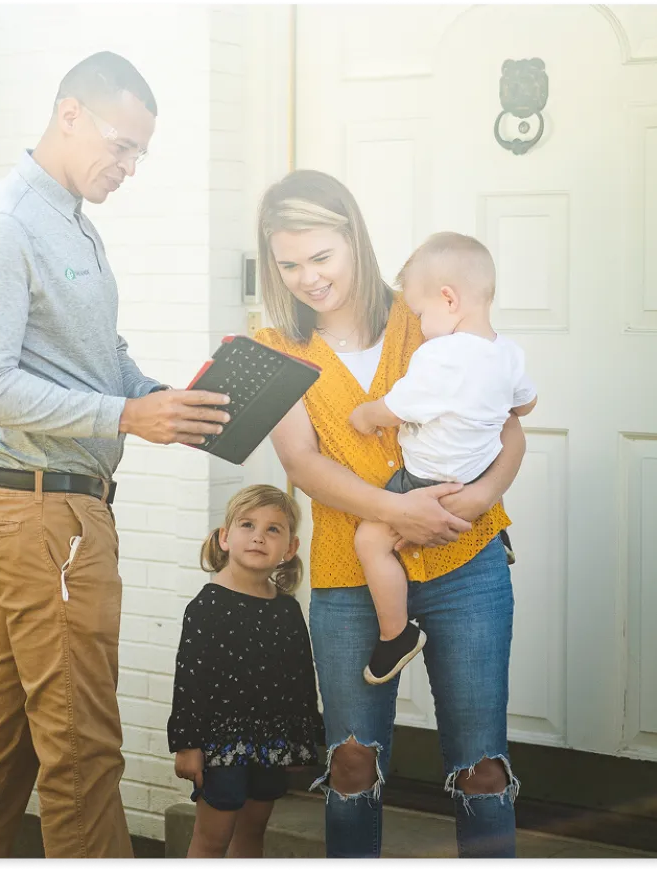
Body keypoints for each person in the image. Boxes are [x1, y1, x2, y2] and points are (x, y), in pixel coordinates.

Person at [0, 53, 231, 860]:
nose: (129, 166)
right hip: (40, 511)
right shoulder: (1, 229)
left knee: (13, 735)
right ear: (69, 114)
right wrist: (126, 413)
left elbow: (98, 357)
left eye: (140, 152)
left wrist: (168, 399)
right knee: (83, 747)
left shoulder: (74, 226)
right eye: (121, 144)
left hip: (57, 508)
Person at [253, 170, 525, 860]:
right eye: (288, 264)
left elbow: (511, 424)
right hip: (352, 573)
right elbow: (304, 464)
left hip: (466, 560)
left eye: (321, 257)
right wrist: (400, 509)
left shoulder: (426, 311)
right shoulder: (275, 346)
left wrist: (478, 497)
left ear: (355, 242)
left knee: (481, 766)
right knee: (349, 763)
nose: (307, 278)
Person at [349, 232, 537, 686]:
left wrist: (364, 415)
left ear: (448, 299)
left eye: (419, 312)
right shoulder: (508, 351)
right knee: (485, 446)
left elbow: (395, 409)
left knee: (371, 542)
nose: (418, 323)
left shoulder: (440, 356)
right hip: (479, 471)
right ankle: (492, 526)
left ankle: (395, 634)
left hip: (425, 481)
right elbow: (525, 407)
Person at [167, 485, 325, 860]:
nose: (259, 536)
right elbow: (189, 681)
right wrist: (187, 745)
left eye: (274, 529)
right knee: (213, 836)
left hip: (271, 739)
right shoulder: (207, 606)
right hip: (221, 743)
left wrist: (303, 737)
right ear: (225, 537)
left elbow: (301, 677)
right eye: (248, 524)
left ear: (290, 548)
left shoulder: (287, 609)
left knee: (253, 832)